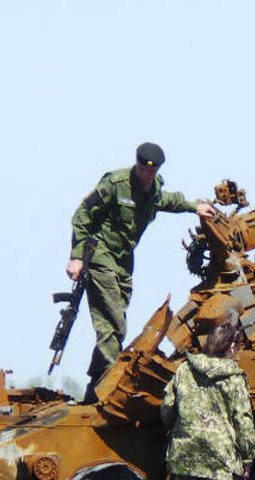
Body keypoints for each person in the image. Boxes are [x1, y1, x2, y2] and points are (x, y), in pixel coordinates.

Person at [66, 142, 216, 403]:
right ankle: (107, 391)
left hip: (124, 263)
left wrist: (195, 206)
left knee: (112, 326)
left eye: (153, 170)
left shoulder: (154, 187)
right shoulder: (116, 183)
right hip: (100, 255)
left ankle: (95, 387)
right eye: (144, 169)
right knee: (114, 325)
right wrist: (77, 257)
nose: (147, 174)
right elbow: (82, 216)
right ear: (137, 164)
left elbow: (166, 200)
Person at [148, 320, 255, 480]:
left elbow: (167, 407)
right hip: (220, 457)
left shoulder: (185, 369)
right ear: (231, 347)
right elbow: (243, 420)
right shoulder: (234, 377)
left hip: (185, 451)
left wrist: (176, 430)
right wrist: (248, 456)